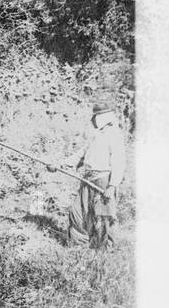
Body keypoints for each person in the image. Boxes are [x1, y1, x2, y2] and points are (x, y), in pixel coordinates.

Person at [52, 98, 126, 249]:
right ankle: (79, 245)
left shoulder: (115, 135)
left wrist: (112, 186)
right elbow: (81, 154)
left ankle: (106, 250)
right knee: (77, 212)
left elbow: (119, 163)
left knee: (104, 216)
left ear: (105, 117)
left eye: (98, 116)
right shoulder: (95, 135)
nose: (95, 119)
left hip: (104, 180)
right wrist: (60, 164)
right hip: (87, 179)